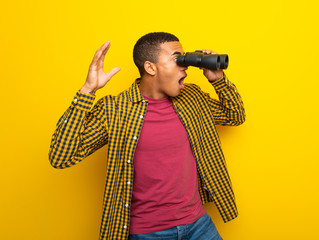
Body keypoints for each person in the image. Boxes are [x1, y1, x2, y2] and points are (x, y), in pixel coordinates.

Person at [48, 32, 245, 240]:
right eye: (177, 58)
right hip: (149, 233)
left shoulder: (192, 98)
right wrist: (87, 91)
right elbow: (61, 157)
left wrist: (219, 81)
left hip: (198, 225)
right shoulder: (115, 109)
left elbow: (235, 116)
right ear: (150, 68)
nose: (185, 66)